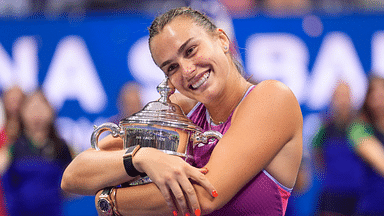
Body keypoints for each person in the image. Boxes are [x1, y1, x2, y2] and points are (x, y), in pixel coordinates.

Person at [61, 7, 303, 215]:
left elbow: (205, 195)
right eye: (171, 68)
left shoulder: (272, 98)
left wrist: (108, 202)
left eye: (190, 50)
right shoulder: (180, 110)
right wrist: (141, 158)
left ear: (222, 40)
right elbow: (73, 176)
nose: (187, 70)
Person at [1, 89, 73, 215]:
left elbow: (76, 180)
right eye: (32, 107)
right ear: (22, 113)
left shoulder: (61, 146)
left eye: (41, 106)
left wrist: (55, 195)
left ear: (51, 111)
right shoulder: (13, 146)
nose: (36, 112)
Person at [312, 81, 366, 216]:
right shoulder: (325, 127)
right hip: (332, 194)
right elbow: (317, 153)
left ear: (351, 98)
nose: (342, 101)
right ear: (332, 99)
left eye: (345, 96)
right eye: (338, 96)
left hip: (357, 194)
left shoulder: (359, 126)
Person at [348, 75, 384, 215]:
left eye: (381, 94)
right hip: (372, 207)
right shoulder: (358, 129)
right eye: (374, 96)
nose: (378, 101)